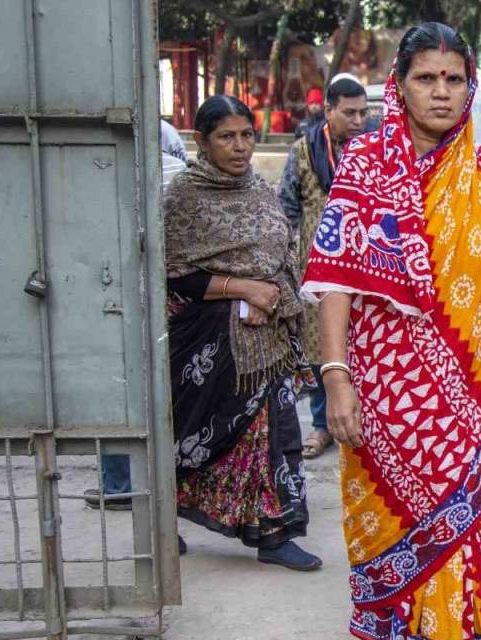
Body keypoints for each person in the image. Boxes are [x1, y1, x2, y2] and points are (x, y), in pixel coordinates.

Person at [300, 22, 481, 639]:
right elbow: (335, 278)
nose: (441, 92)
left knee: (469, 535)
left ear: (470, 87)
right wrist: (336, 380)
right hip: (385, 401)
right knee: (386, 529)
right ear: (400, 86)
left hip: (473, 404)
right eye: (426, 78)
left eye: (454, 79)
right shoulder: (364, 165)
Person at [162, 95, 321, 571]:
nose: (240, 147)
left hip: (265, 342)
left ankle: (274, 535)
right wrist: (241, 290)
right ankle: (161, 520)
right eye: (226, 137)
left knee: (275, 434)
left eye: (247, 135)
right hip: (205, 346)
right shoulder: (184, 197)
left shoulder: (259, 189)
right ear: (201, 142)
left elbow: (284, 254)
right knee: (191, 436)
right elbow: (172, 273)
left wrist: (270, 292)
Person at [86, 119, 189, 538]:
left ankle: (119, 485)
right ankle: (169, 487)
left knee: (119, 390)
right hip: (173, 298)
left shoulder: (101, 168)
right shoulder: (178, 172)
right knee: (169, 396)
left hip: (116, 294)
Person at [277, 76, 371, 460]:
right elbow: (286, 209)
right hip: (316, 269)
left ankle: (366, 416)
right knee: (319, 346)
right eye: (349, 112)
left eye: (364, 112)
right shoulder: (303, 152)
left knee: (363, 340)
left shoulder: (375, 153)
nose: (358, 120)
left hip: (367, 269)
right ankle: (321, 424)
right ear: (328, 110)